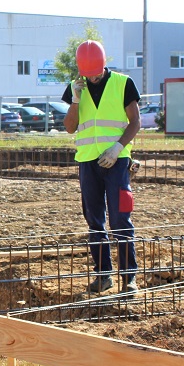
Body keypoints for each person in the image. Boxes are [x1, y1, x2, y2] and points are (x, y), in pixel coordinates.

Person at [62, 40, 141, 295]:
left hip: (116, 161)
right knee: (94, 220)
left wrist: (118, 148)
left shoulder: (122, 83)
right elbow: (70, 127)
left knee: (120, 219)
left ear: (104, 65)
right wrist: (75, 99)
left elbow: (135, 122)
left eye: (96, 73)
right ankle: (103, 274)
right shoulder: (77, 88)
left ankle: (129, 277)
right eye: (88, 74)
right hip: (87, 162)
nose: (92, 78)